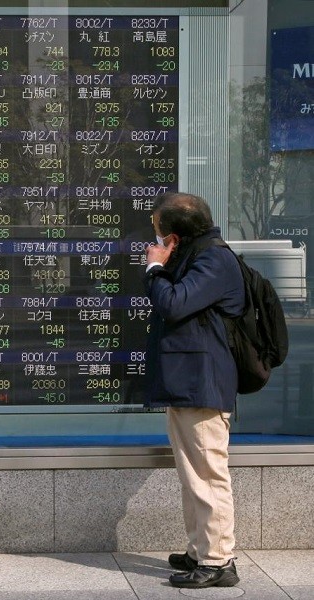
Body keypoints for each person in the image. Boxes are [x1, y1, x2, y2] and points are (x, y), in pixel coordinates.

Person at [143, 192, 245, 589]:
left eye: (159, 227)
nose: (155, 233)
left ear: (175, 233)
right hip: (189, 383)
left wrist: (154, 268)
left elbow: (174, 304)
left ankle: (219, 561)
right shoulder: (199, 254)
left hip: (204, 383)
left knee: (207, 474)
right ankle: (200, 549)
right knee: (192, 476)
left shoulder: (214, 259)